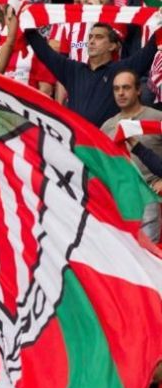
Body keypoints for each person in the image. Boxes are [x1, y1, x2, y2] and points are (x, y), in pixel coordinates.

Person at [26, 23, 159, 127]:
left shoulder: (122, 71)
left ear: (113, 46)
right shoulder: (73, 70)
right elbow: (44, 51)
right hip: (78, 146)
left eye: (99, 37)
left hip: (107, 148)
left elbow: (150, 49)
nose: (91, 41)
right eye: (90, 37)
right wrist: (26, 20)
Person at [100, 69, 162, 241]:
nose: (120, 93)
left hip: (149, 194)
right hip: (118, 198)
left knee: (148, 255)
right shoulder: (107, 126)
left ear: (138, 90)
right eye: (116, 89)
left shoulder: (157, 119)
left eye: (126, 87)